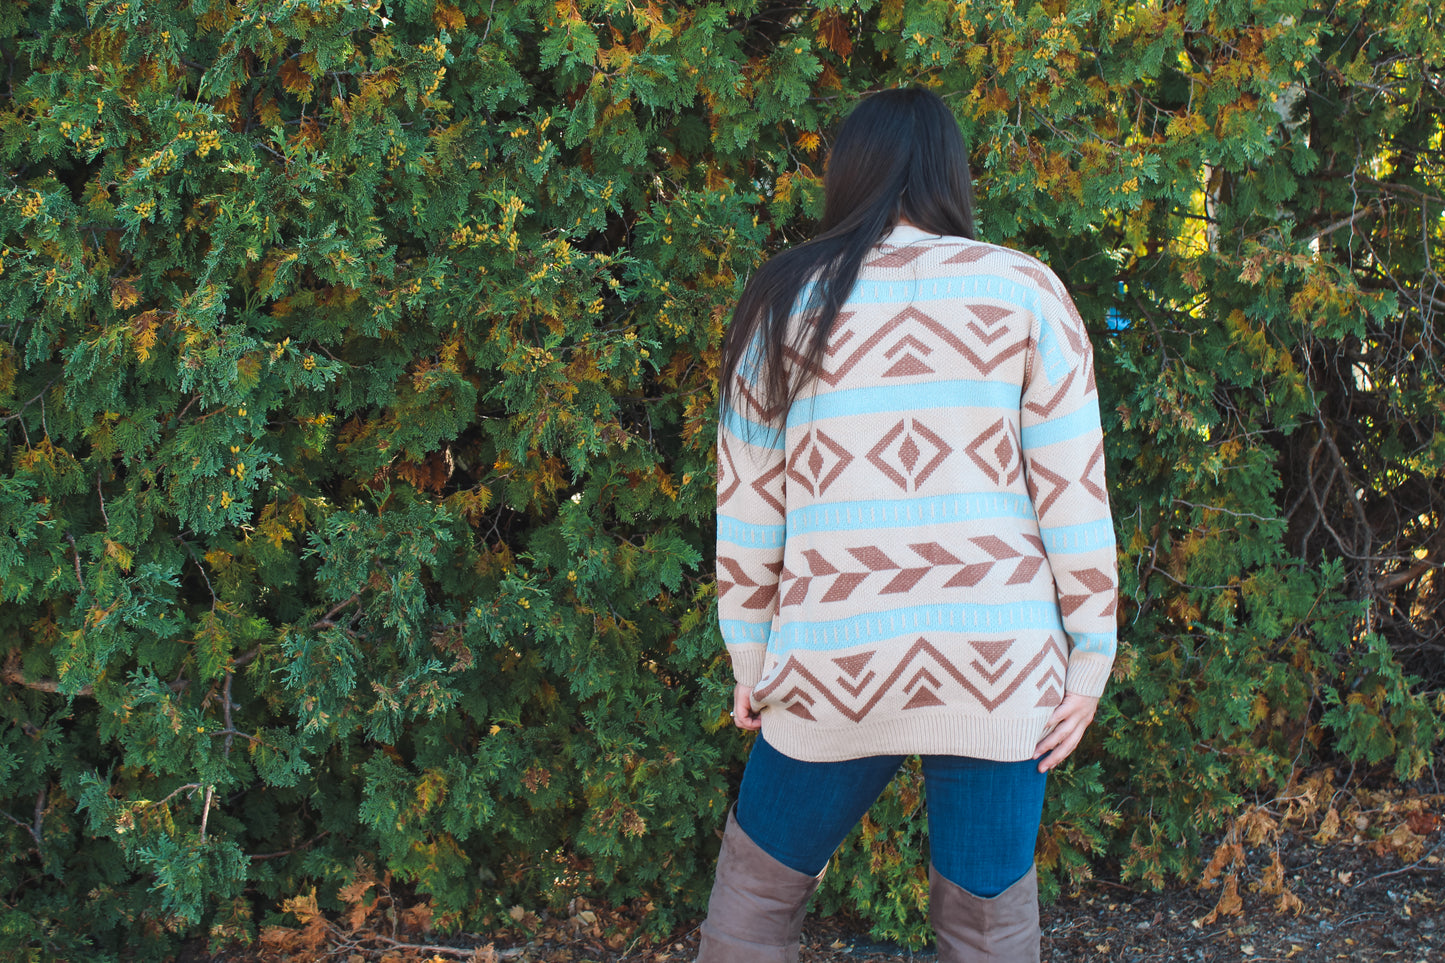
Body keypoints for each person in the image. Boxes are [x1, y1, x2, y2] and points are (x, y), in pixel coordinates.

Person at [702, 86, 1118, 963]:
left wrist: (747, 651)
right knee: (986, 927)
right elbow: (1073, 493)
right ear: (949, 173)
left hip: (832, 657)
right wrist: (1089, 659)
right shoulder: (1025, 291)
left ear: (846, 172)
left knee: (754, 901)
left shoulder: (785, 299)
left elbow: (748, 501)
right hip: (996, 666)